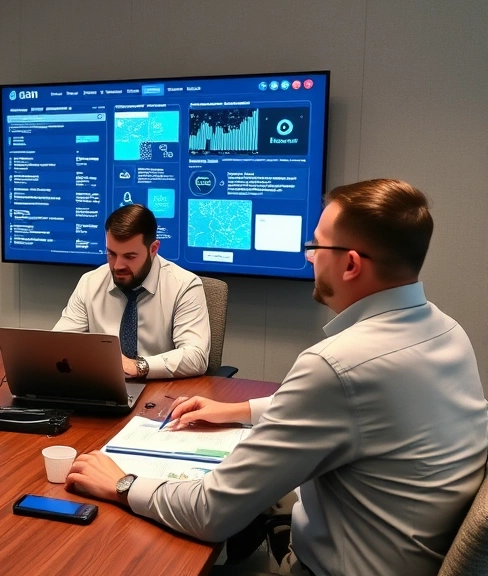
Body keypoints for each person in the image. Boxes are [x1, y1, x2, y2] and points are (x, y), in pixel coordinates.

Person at [65, 180, 488, 576]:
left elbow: (210, 512)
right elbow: (354, 407)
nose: (309, 256)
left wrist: (120, 482)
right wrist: (237, 409)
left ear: (351, 264)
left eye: (316, 245)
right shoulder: (448, 332)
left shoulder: (336, 364)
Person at [54, 204, 210, 379]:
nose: (118, 266)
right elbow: (58, 345)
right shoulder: (90, 282)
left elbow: (196, 357)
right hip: (102, 387)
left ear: (153, 249)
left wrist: (139, 366)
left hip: (161, 389)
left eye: (129, 257)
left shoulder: (184, 286)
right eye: (111, 254)